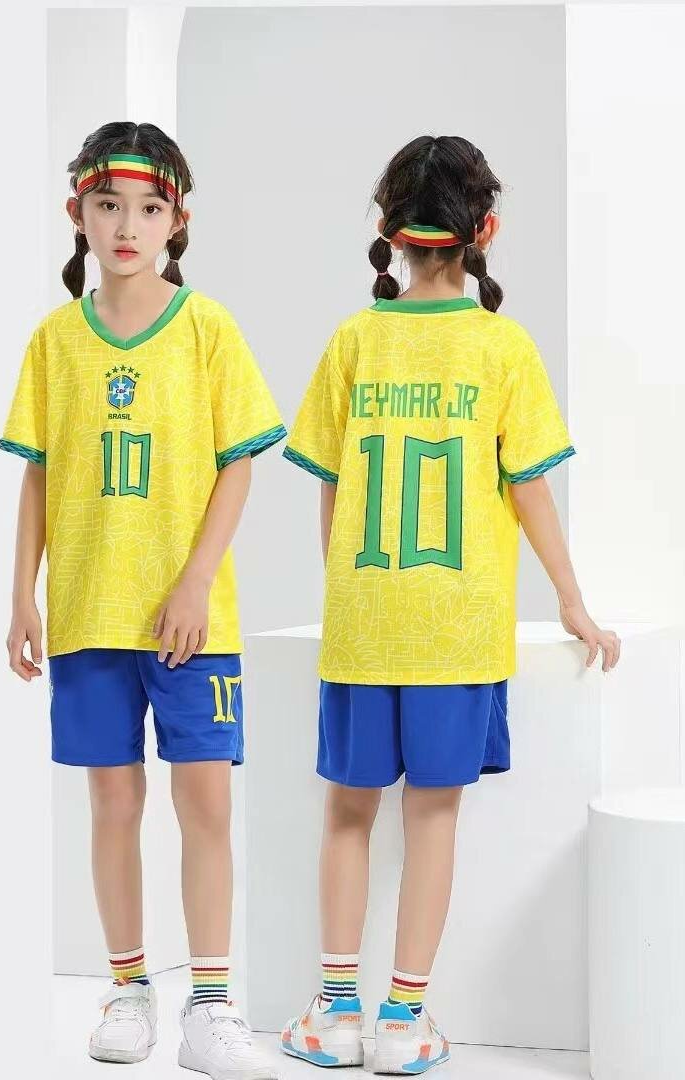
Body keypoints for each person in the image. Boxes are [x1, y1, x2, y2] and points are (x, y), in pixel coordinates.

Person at [280, 134, 620, 1075]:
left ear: (389, 231)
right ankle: (403, 1020)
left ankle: (334, 1012)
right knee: (433, 817)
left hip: (364, 624)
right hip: (456, 630)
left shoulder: (354, 340)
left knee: (348, 813)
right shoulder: (502, 347)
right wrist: (573, 601)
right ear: (485, 231)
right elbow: (530, 488)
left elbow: (331, 490)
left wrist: (346, 593)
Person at [0, 121, 284, 1077]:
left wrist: (196, 580)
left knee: (205, 801)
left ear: (178, 220)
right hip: (89, 610)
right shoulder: (55, 340)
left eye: (150, 208)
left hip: (191, 622)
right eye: (109, 205)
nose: (127, 226)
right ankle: (127, 988)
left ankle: (211, 1003)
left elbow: (240, 462)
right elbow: (38, 475)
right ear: (77, 212)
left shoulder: (208, 329)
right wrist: (22, 596)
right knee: (112, 801)